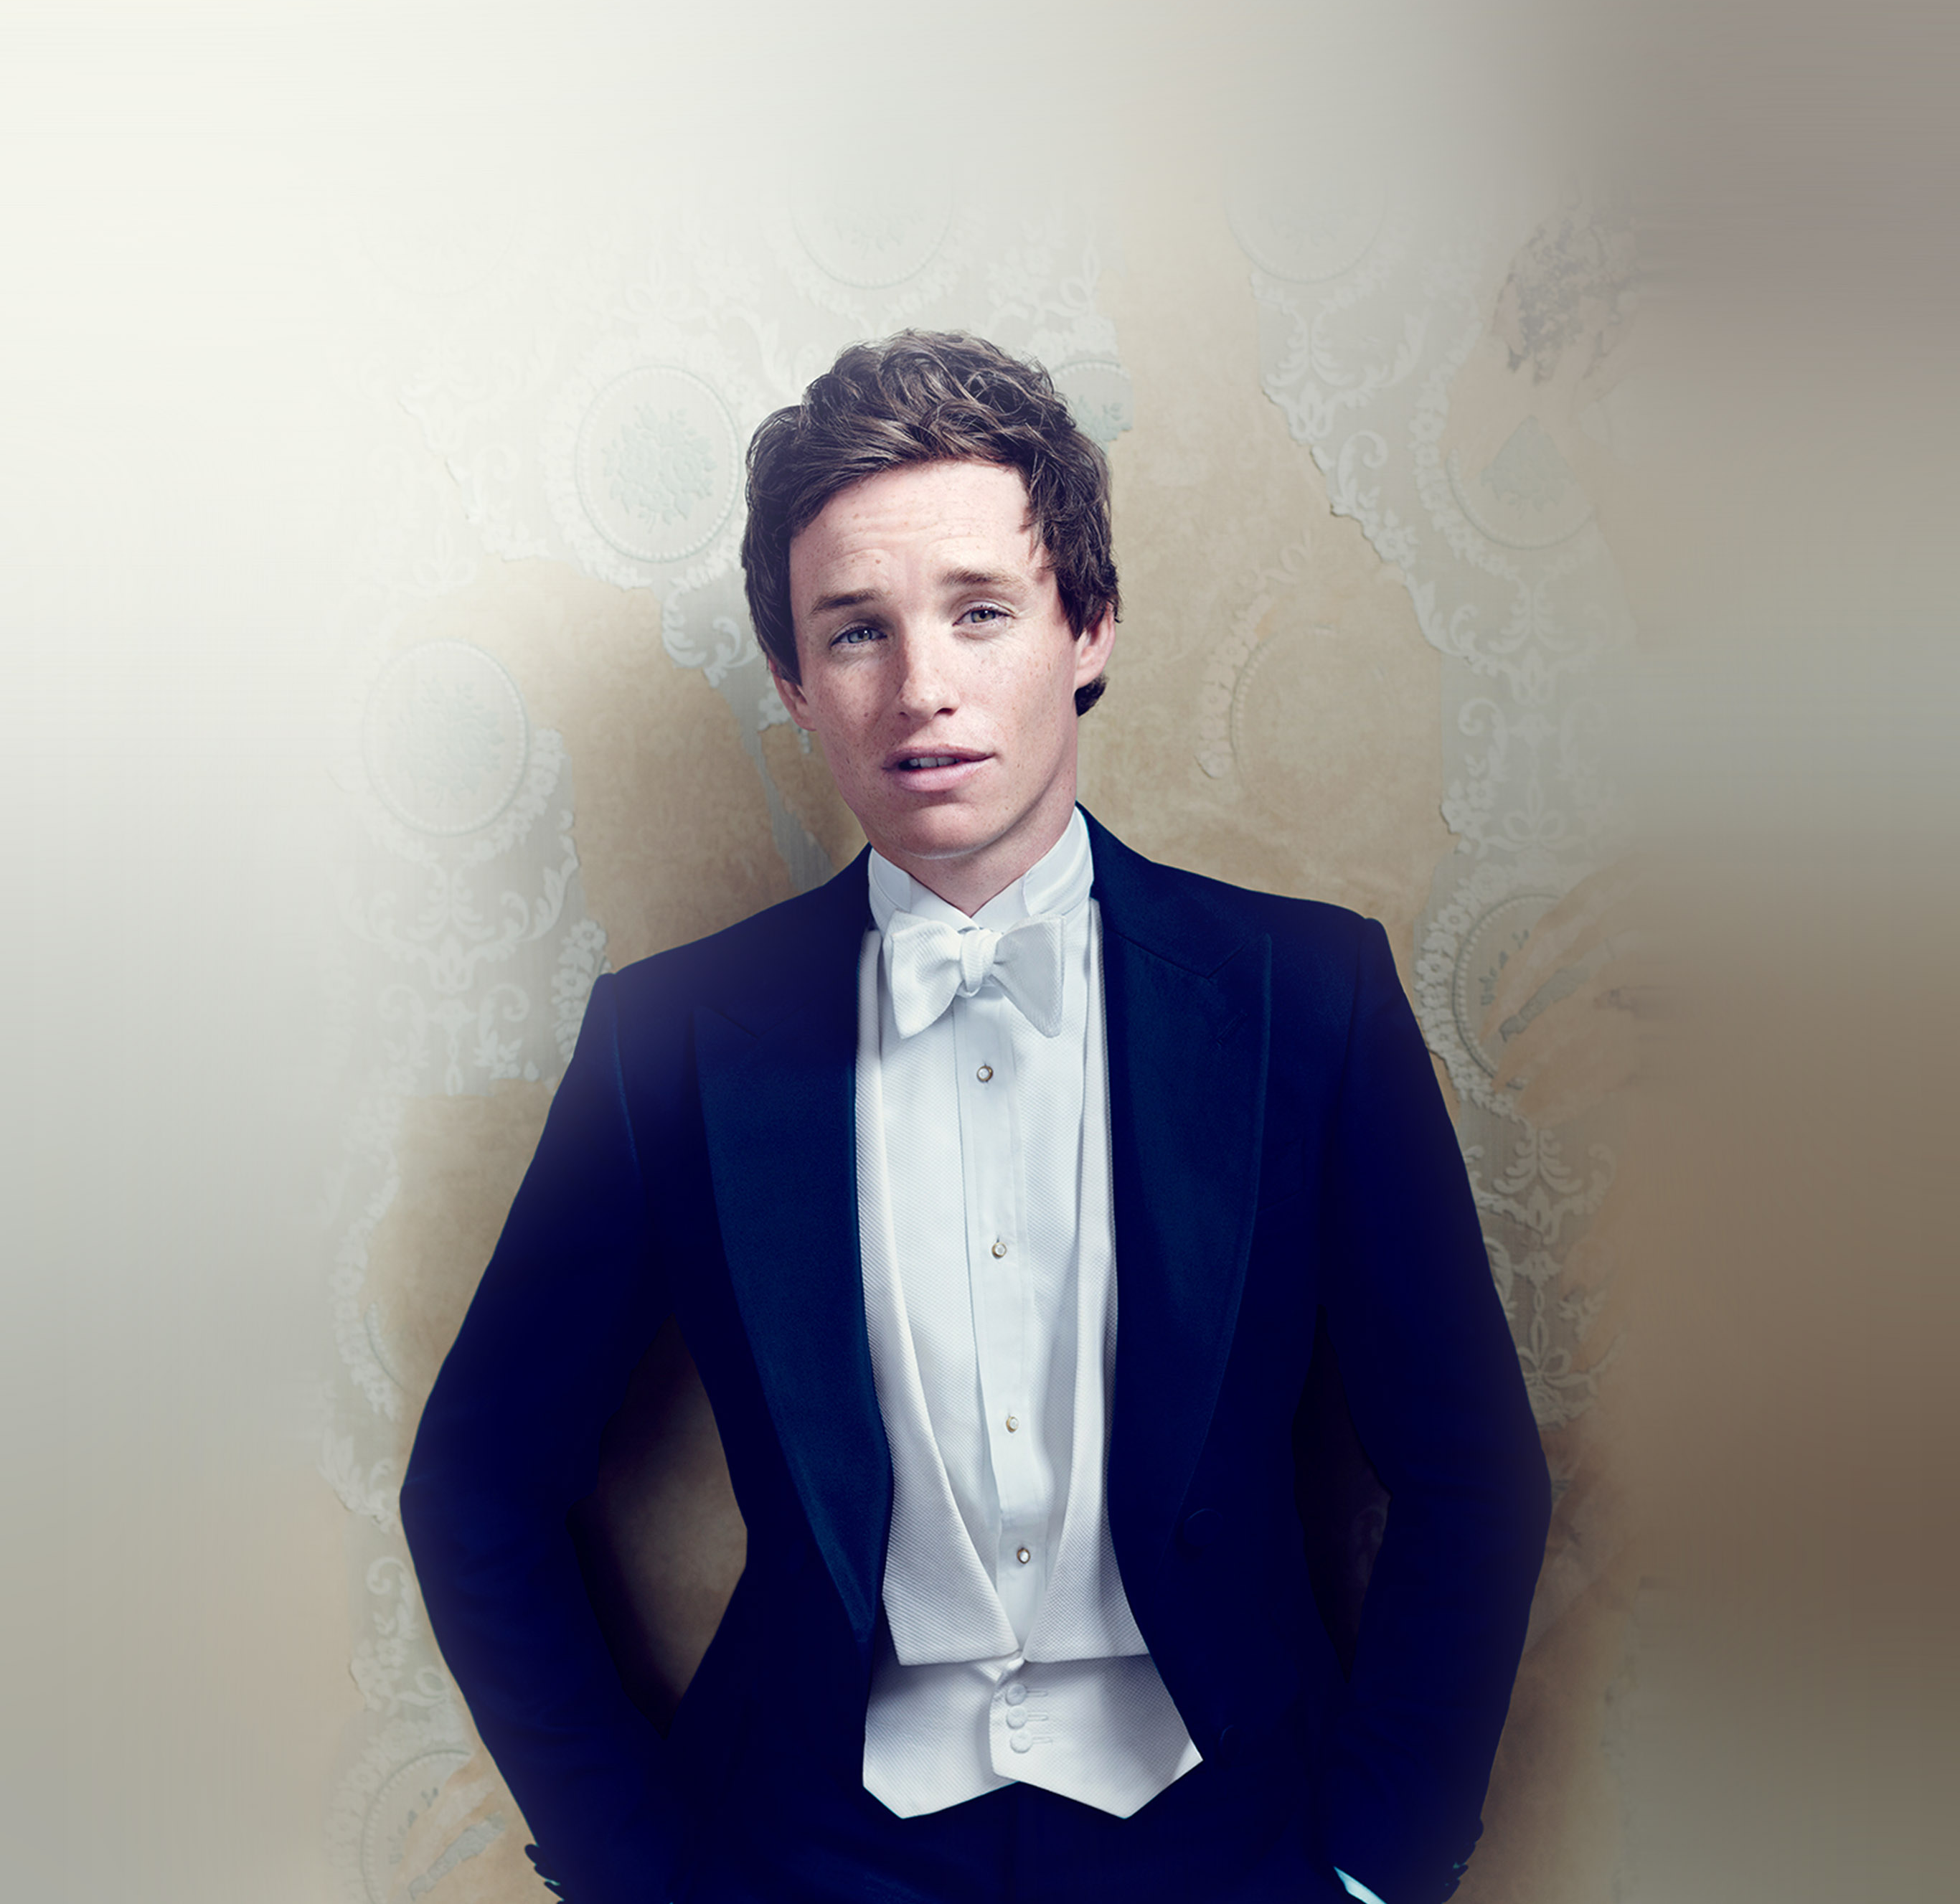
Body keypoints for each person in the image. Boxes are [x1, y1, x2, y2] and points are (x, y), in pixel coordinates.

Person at [400, 331, 1550, 1904]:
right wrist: (634, 1870)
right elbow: (476, 1484)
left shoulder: (1310, 997)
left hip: (1230, 1846)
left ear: (1089, 625)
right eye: (855, 632)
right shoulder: (667, 1045)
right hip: (808, 1856)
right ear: (796, 684)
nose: (921, 688)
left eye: (981, 610)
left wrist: (1373, 1867)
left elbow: (1471, 1470)